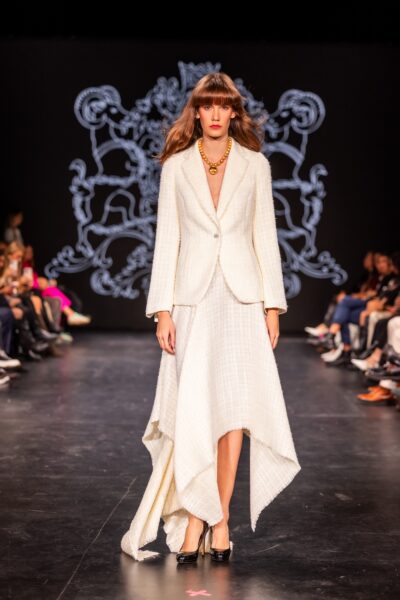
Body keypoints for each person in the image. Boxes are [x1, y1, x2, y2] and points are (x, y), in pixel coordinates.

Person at [120, 72, 301, 563]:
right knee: (197, 407)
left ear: (234, 112)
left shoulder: (255, 165)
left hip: (242, 299)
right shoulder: (176, 167)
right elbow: (168, 241)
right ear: (197, 111)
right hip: (193, 300)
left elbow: (265, 237)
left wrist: (272, 306)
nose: (217, 114)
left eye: (225, 105)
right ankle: (196, 517)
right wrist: (162, 310)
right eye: (208, 105)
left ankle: (217, 521)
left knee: (234, 411)